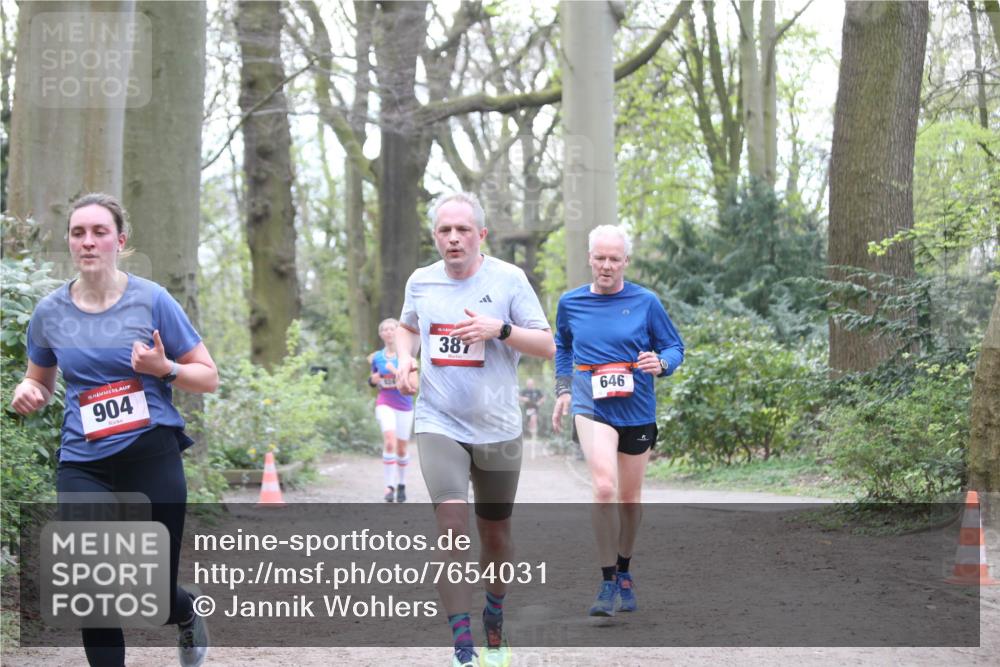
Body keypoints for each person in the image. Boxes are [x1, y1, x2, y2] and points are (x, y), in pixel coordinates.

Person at [10, 193, 219, 667]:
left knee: (154, 594)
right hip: (84, 461)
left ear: (120, 241)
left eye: (99, 232)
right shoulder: (50, 313)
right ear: (69, 241)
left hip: (151, 455)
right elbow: (39, 380)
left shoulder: (152, 300)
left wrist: (163, 367)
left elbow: (207, 375)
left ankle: (184, 612)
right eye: (78, 232)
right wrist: (28, 392)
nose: (88, 241)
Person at [394, 192, 554, 667]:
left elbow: (546, 344)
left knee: (496, 536)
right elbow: (407, 327)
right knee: (451, 526)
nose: (454, 238)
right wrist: (405, 358)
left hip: (498, 429)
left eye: (463, 230)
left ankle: (495, 616)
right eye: (445, 230)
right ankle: (462, 647)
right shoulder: (421, 282)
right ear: (435, 236)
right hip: (439, 420)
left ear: (481, 235)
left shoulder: (508, 279)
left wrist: (499, 330)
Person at [551, 224, 684, 617]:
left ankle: (625, 570)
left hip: (637, 408)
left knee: (629, 498)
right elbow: (563, 345)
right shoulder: (571, 302)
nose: (606, 266)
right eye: (599, 258)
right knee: (605, 487)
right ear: (589, 259)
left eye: (614, 259)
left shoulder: (646, 302)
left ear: (626, 261)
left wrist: (661, 363)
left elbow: (674, 346)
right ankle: (607, 580)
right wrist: (563, 389)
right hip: (592, 405)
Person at [368, 318, 414, 502]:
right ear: (381, 334)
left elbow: (413, 385)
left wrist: (396, 373)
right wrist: (374, 380)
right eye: (384, 329)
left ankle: (401, 483)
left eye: (392, 328)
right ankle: (389, 487)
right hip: (384, 402)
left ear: (398, 332)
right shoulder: (377, 357)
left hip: (404, 405)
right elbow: (371, 380)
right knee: (389, 442)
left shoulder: (407, 357)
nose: (388, 332)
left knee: (402, 449)